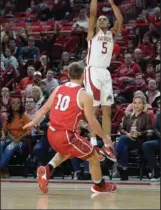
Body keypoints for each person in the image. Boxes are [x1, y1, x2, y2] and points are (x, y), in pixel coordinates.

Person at [23, 62, 116, 194]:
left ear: (68, 74)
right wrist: (105, 138)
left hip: (51, 134)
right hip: (65, 135)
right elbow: (92, 121)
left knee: (68, 151)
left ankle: (47, 170)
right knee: (94, 157)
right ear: (83, 75)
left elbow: (45, 108)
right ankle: (100, 186)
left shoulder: (58, 89)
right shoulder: (85, 95)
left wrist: (34, 121)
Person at [84, 0, 123, 160]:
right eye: (99, 19)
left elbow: (120, 21)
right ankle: (92, 144)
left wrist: (113, 4)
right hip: (93, 71)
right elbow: (92, 13)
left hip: (105, 73)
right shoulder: (92, 34)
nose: (100, 20)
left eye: (103, 19)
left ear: (107, 23)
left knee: (107, 110)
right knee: (94, 109)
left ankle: (107, 145)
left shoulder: (112, 34)